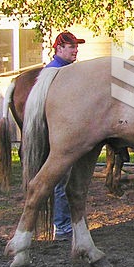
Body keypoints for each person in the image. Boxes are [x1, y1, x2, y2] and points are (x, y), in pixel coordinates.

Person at [46, 30, 85, 240]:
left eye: (76, 46)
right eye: (71, 46)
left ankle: (66, 224)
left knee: (67, 179)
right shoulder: (55, 73)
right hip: (61, 136)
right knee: (61, 180)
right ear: (59, 48)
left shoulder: (67, 71)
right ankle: (61, 227)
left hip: (67, 134)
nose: (76, 50)